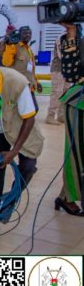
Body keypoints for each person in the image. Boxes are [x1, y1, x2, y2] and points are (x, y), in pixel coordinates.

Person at [0, 63, 44, 241]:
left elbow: (29, 119)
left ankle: (9, 202)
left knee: (28, 167)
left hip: (20, 129)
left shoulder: (16, 82)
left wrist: (14, 152)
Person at [55, 24, 84, 216]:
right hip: (79, 104)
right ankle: (68, 197)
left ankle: (65, 196)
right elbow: (71, 73)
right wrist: (71, 34)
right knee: (77, 155)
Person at [1, 26, 42, 93]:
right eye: (25, 33)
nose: (28, 35)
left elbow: (31, 70)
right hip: (17, 88)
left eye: (29, 33)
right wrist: (9, 45)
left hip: (30, 87)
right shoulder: (13, 46)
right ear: (19, 35)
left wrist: (37, 82)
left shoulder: (29, 49)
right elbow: (6, 62)